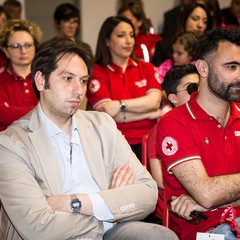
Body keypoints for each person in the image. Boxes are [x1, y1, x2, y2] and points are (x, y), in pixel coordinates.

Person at [0, 38, 178, 240]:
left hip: (109, 232)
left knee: (160, 236)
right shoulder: (10, 143)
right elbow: (37, 228)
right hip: (57, 235)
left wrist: (81, 202)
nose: (79, 90)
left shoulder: (102, 125)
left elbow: (147, 193)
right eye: (68, 78)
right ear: (41, 81)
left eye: (83, 81)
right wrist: (109, 207)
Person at [157, 28, 240, 240]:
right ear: (203, 68)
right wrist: (208, 198)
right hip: (207, 232)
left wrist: (217, 198)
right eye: (231, 67)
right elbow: (207, 194)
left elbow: (208, 198)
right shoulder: (174, 122)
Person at [86, 16, 162, 161]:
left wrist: (120, 105)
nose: (129, 41)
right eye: (121, 35)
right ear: (107, 41)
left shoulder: (146, 68)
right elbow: (108, 113)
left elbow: (154, 102)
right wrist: (148, 114)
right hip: (114, 143)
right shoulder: (97, 72)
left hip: (150, 142)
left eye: (131, 35)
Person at [148, 64, 199, 191]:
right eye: (191, 88)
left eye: (201, 86)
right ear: (173, 97)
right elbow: (160, 181)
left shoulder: (210, 122)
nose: (198, 92)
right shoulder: (161, 129)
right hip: (178, 200)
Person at [0, 19, 42, 131]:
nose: (23, 51)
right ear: (5, 50)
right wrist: (39, 111)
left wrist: (13, 111)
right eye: (15, 46)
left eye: (28, 45)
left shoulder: (45, 78)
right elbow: (2, 114)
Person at [152, 1, 212, 67]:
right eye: (195, 19)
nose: (200, 25)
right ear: (184, 20)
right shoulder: (164, 47)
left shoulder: (210, 49)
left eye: (205, 21)